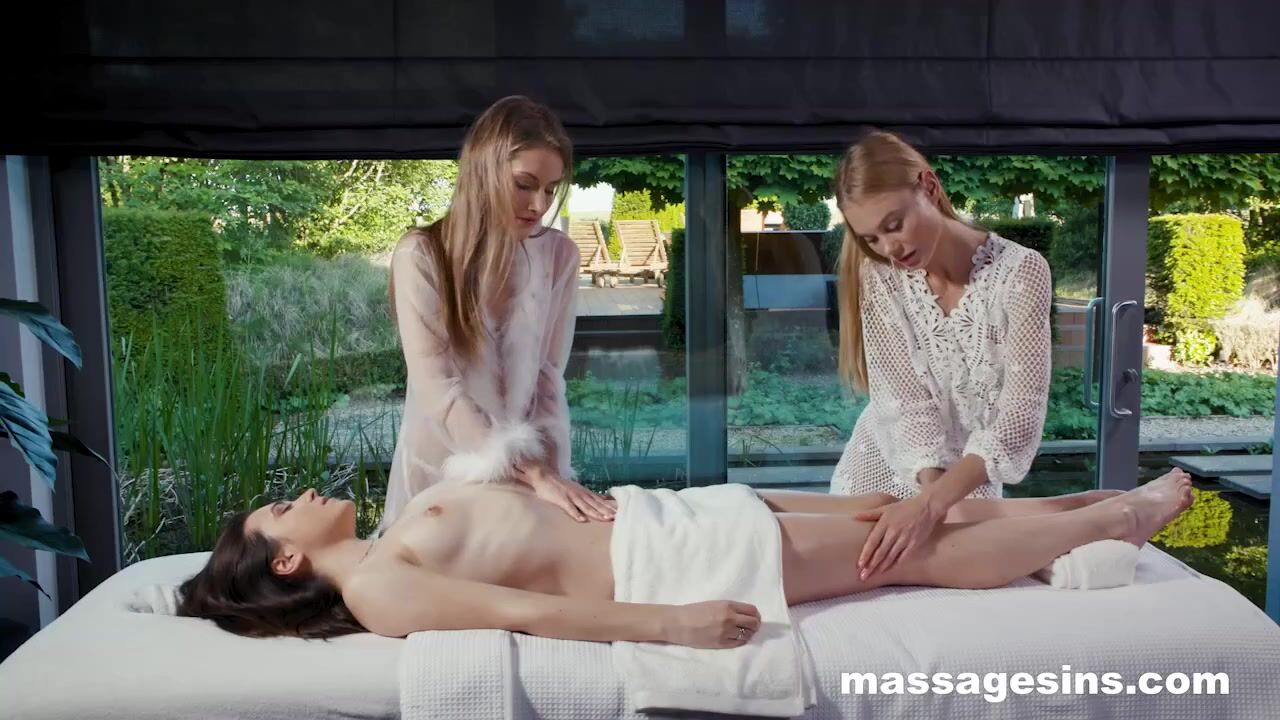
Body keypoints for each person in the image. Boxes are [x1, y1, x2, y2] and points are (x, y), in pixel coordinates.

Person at [176, 469, 1195, 645]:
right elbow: (528, 614)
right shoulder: (380, 588)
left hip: (666, 519)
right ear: (287, 563)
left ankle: (1087, 507)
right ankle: (1114, 522)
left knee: (895, 511)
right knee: (904, 550)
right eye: (282, 511)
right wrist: (672, 625)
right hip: (670, 564)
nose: (300, 497)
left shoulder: (394, 538)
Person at [827, 130, 1083, 581]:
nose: (889, 249)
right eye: (872, 238)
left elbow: (1019, 416)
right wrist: (927, 504)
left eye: (894, 225)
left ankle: (1127, 511)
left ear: (929, 187)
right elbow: (907, 402)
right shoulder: (879, 275)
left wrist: (932, 506)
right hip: (879, 470)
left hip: (968, 485)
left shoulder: (1021, 272)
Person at [382, 95, 614, 528]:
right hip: (441, 473)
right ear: (483, 172)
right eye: (524, 184)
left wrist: (551, 476)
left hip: (533, 483)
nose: (539, 205)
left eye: (550, 189)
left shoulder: (558, 255)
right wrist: (533, 473)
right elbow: (438, 388)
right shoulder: (422, 255)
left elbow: (547, 380)